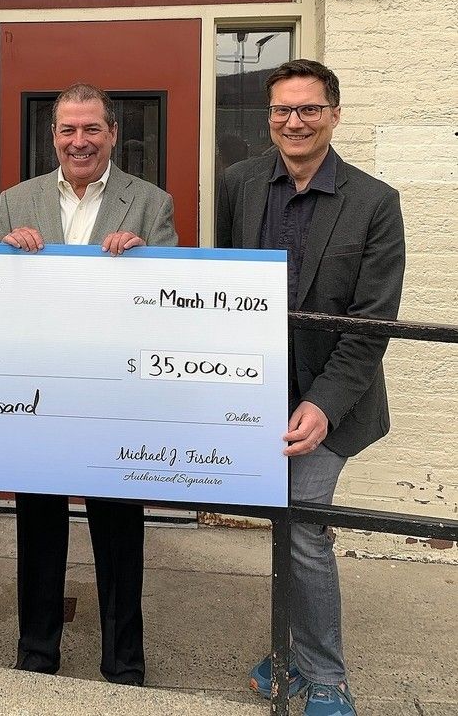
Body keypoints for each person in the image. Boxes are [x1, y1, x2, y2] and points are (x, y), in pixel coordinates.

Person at [217, 60, 406, 716]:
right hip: (255, 395)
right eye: (280, 111)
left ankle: (325, 675)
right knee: (279, 524)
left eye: (307, 109)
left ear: (334, 113)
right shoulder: (239, 184)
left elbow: (372, 323)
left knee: (300, 527)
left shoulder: (375, 202)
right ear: (268, 118)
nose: (293, 122)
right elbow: (222, 287)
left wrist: (321, 404)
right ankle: (289, 647)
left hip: (332, 399)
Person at [0, 83, 177, 686]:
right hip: (38, 396)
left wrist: (146, 261)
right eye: (68, 130)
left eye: (92, 129)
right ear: (53, 137)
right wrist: (7, 255)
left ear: (113, 134)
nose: (80, 142)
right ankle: (36, 656)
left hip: (113, 399)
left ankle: (124, 666)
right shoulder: (14, 202)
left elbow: (170, 303)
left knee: (120, 534)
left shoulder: (151, 203)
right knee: (39, 529)